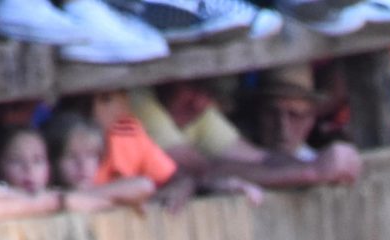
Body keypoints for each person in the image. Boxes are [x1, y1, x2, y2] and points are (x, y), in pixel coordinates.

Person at [132, 77, 361, 189]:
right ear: (167, 80)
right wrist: (310, 171)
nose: (198, 103)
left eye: (209, 93)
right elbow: (203, 170)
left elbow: (262, 158)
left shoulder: (200, 112)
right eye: (190, 88)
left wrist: (315, 163)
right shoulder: (139, 102)